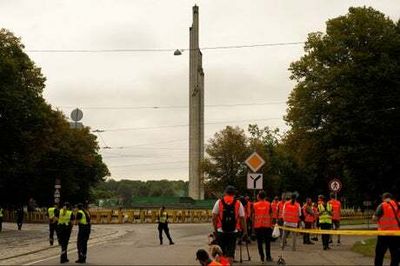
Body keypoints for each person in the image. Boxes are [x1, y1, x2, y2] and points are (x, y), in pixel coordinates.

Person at [212, 185, 247, 264]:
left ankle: (222, 265)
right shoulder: (238, 203)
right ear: (234, 193)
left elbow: (214, 217)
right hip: (233, 231)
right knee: (230, 253)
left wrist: (215, 229)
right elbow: (242, 218)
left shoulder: (219, 202)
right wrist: (245, 231)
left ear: (225, 192)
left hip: (221, 231)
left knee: (221, 253)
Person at [373, 192, 400, 266]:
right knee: (395, 254)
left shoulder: (382, 205)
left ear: (383, 198)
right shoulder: (398, 204)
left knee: (379, 254)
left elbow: (375, 218)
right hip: (396, 233)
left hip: (383, 234)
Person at [252, 190, 273, 262]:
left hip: (258, 226)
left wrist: (253, 225)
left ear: (259, 196)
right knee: (267, 242)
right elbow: (271, 215)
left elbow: (253, 216)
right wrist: (271, 224)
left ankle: (262, 257)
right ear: (265, 197)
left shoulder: (255, 205)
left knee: (259, 243)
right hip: (267, 226)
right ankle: (268, 257)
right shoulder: (269, 204)